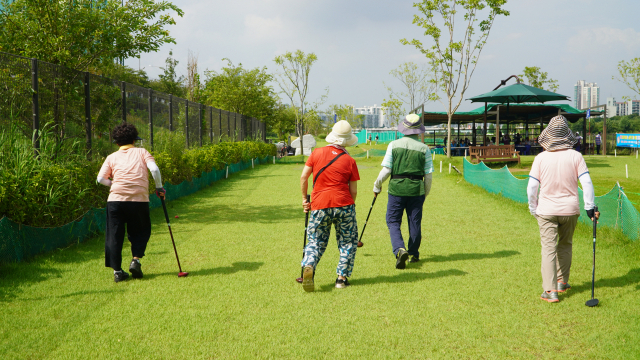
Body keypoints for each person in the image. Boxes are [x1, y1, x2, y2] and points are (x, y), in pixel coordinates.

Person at [527, 115, 599, 303]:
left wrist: (533, 207)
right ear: (567, 135)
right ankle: (561, 282)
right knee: (565, 244)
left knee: (548, 249)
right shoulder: (576, 156)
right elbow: (587, 182)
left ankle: (550, 291)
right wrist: (589, 207)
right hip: (570, 210)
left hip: (546, 210)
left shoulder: (540, 158)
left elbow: (532, 187)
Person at [97, 123, 165, 283]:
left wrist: (113, 184)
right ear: (134, 140)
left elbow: (100, 179)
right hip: (138, 200)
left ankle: (117, 272)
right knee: (141, 231)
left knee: (114, 235)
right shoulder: (142, 152)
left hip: (115, 201)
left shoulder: (111, 157)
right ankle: (135, 260)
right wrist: (159, 187)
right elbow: (154, 169)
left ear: (116, 142)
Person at [299, 120, 360, 292]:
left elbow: (304, 177)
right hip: (344, 204)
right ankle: (341, 279)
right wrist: (349, 207)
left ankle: (309, 265)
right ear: (347, 140)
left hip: (319, 204)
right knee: (348, 242)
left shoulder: (316, 153)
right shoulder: (350, 160)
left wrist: (305, 199)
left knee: (315, 240)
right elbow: (353, 190)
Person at [373, 114, 434, 268]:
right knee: (414, 223)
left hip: (396, 190)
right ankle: (413, 254)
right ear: (418, 130)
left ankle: (400, 249)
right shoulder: (424, 148)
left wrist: (377, 185)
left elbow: (386, 170)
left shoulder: (393, 145)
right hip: (416, 190)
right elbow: (428, 176)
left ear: (404, 128)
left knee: (393, 221)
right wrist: (424, 194)